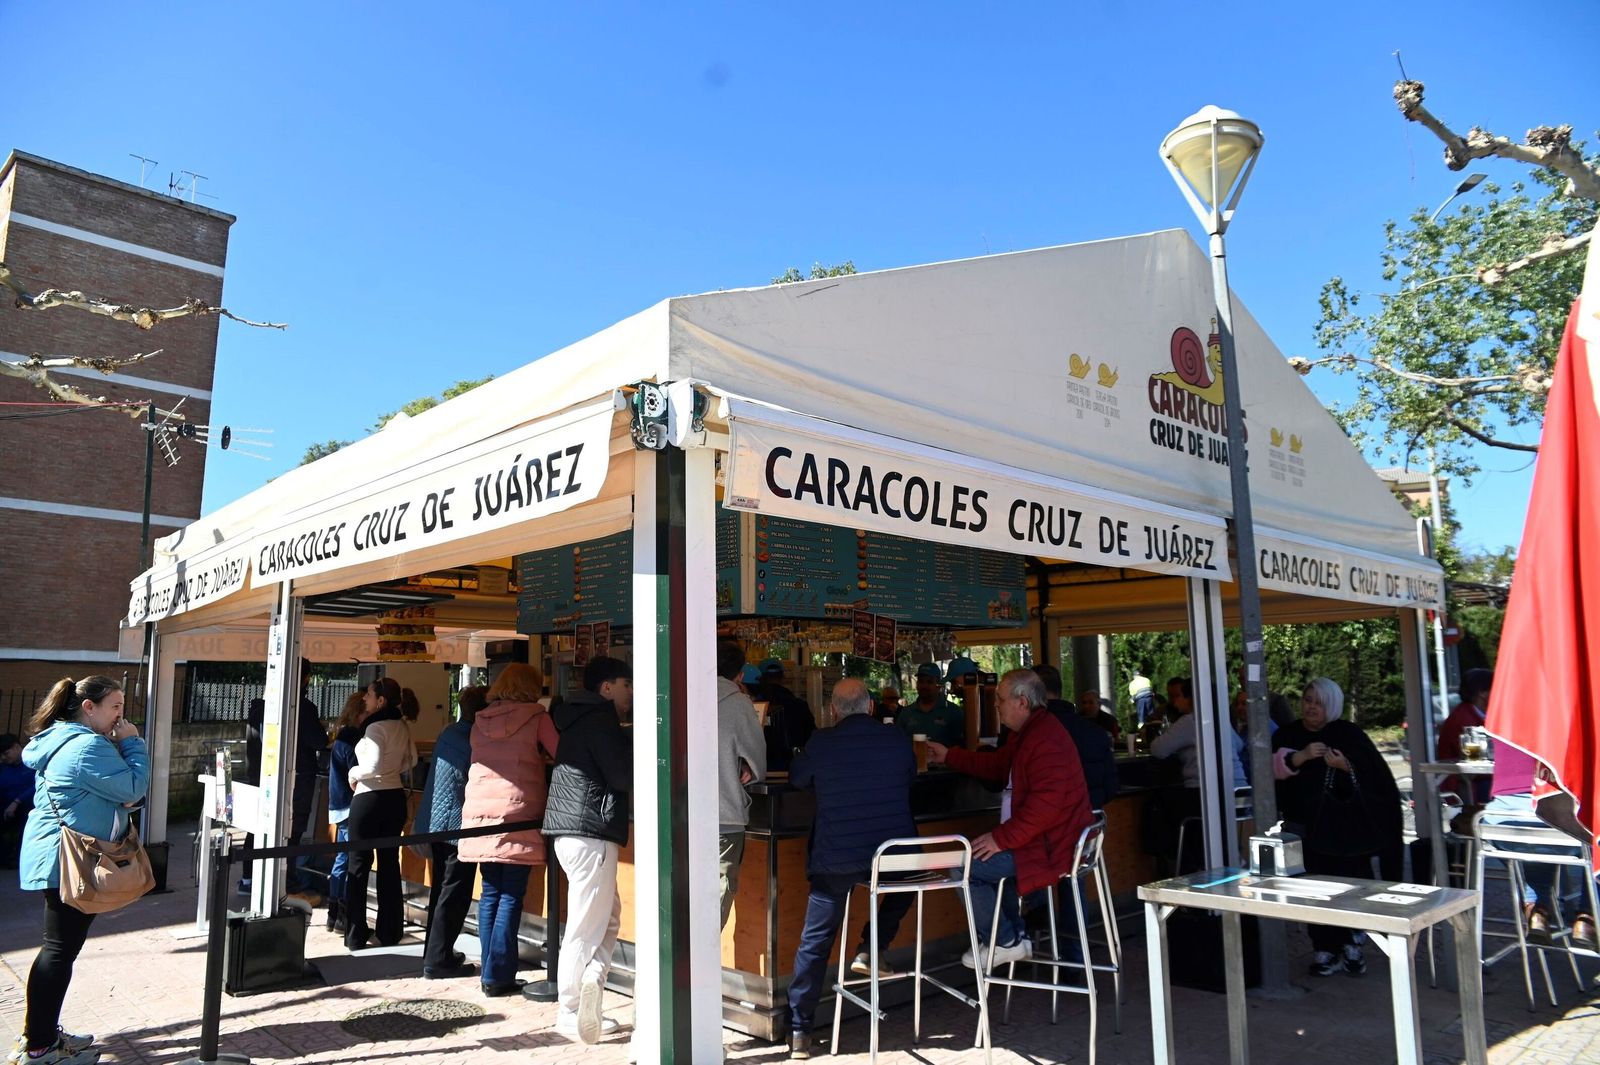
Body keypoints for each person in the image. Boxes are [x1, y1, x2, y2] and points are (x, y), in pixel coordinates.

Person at [785, 678, 918, 1061]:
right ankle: (873, 946)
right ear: (872, 707)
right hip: (895, 856)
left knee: (817, 940)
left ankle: (800, 1030)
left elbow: (797, 779)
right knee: (907, 883)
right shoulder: (897, 739)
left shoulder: (821, 742)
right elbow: (910, 777)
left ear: (833, 711)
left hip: (838, 857)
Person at [17, 676, 148, 1065]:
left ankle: (41, 1036)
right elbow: (134, 787)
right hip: (68, 861)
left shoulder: (60, 739)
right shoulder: (88, 745)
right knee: (58, 951)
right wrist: (132, 742)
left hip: (58, 855)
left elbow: (99, 793)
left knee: (59, 949)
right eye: (115, 707)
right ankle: (40, 1046)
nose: (120, 717)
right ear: (88, 707)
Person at [929, 669, 1093, 971]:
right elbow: (999, 765)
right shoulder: (1034, 732)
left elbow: (1046, 805)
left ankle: (1006, 941)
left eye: (1000, 701)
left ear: (1021, 702)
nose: (996, 706)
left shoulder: (1044, 739)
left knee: (963, 868)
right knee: (978, 862)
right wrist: (950, 756)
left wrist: (1001, 838)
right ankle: (1011, 937)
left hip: (1049, 848)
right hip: (1050, 841)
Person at [1273, 677, 1403, 977]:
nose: (1311, 707)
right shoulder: (1287, 734)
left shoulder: (1348, 734)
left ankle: (1352, 944)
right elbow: (1269, 773)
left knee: (1352, 887)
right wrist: (1299, 757)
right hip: (1304, 827)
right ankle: (1324, 949)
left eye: (1318, 702)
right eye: (1307, 700)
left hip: (1347, 830)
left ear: (1331, 705)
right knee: (1311, 889)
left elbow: (1376, 776)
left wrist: (1346, 767)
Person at [543, 656, 633, 1044]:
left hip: (571, 830)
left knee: (606, 914)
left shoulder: (575, 718)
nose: (631, 692)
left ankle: (592, 982)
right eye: (626, 684)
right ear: (607, 687)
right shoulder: (601, 721)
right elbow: (623, 775)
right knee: (586, 923)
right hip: (590, 830)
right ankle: (571, 1007)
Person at [458, 666, 560, 996]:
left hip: (479, 813)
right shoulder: (537, 717)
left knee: (490, 894)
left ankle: (491, 970)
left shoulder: (480, 720)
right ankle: (498, 975)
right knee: (510, 895)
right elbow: (562, 753)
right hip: (518, 813)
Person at [414, 686, 485, 980]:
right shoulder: (475, 738)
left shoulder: (449, 733)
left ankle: (434, 951)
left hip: (438, 822)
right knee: (454, 893)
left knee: (442, 890)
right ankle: (439, 958)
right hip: (458, 823)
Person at [344, 677, 417, 950]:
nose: (365, 699)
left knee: (358, 865)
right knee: (389, 864)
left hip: (369, 798)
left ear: (381, 700)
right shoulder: (401, 725)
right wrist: (392, 770)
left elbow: (372, 764)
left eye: (370, 695)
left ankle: (355, 933)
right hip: (394, 797)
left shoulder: (374, 727)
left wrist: (353, 773)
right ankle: (390, 930)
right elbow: (412, 759)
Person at [1149, 678, 1248, 872]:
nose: (1174, 702)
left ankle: (1182, 867)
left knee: (1157, 807)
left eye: (1178, 697)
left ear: (1191, 699)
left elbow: (1158, 749)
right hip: (1239, 792)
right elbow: (1239, 745)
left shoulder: (1190, 720)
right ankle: (1223, 860)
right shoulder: (1218, 718)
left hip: (1208, 794)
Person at [715, 642, 767, 929]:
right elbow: (758, 757)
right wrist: (750, 768)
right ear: (740, 674)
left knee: (687, 888)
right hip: (724, 812)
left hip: (682, 813)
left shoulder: (680, 692)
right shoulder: (738, 702)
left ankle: (684, 962)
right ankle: (702, 963)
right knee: (720, 888)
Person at [1034, 666, 1117, 809]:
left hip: (1049, 824)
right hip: (1089, 819)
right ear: (1060, 691)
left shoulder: (1030, 732)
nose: (1087, 706)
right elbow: (1111, 786)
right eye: (1085, 702)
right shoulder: (1096, 732)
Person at [324, 691, 369, 934]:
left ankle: (334, 913)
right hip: (350, 806)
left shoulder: (343, 736)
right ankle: (343, 916)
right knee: (350, 859)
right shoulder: (354, 739)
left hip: (338, 805)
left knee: (342, 859)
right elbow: (357, 774)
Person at [285, 661, 328, 899]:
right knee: (294, 830)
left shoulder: (272, 702)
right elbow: (319, 741)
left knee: (285, 832)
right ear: (307, 679)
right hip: (301, 776)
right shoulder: (305, 708)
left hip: (279, 775)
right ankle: (289, 882)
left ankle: (280, 879)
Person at [1436, 668, 1493, 804]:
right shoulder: (1463, 720)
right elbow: (1475, 761)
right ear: (1482, 693)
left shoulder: (1477, 714)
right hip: (1462, 784)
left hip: (1472, 779)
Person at [894, 662, 966, 748]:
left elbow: (962, 745)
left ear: (938, 685)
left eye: (929, 682)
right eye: (921, 681)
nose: (924, 686)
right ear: (917, 685)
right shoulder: (906, 712)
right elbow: (897, 741)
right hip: (912, 761)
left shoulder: (954, 712)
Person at [1, 733, 36, 868]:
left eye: (6, 753)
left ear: (16, 747)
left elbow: (37, 785)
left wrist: (17, 801)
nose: (3, 758)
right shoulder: (3, 768)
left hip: (27, 806)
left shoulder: (31, 763)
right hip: (5, 805)